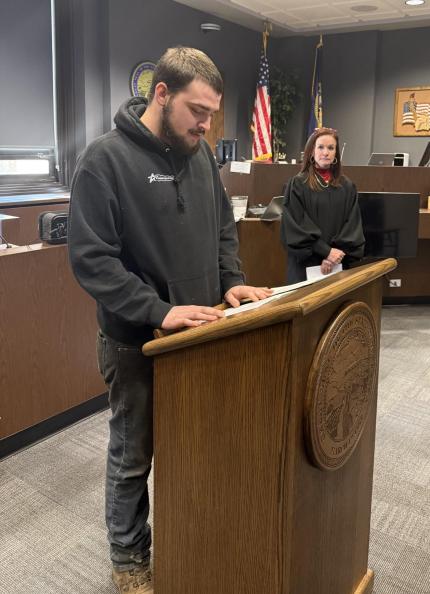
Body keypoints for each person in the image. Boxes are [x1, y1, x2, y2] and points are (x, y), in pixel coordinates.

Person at [68, 46, 271, 594]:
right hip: (137, 341)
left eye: (212, 114)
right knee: (134, 457)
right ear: (161, 94)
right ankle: (129, 560)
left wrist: (230, 281)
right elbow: (92, 259)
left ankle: (189, 540)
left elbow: (223, 229)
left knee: (194, 447)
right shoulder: (104, 161)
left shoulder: (201, 156)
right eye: (197, 111)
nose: (207, 125)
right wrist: (157, 309)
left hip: (202, 335)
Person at [280, 127, 365, 284]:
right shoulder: (298, 184)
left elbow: (352, 226)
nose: (326, 152)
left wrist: (333, 257)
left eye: (331, 148)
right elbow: (296, 225)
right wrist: (326, 252)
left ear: (336, 154)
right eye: (321, 147)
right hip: (306, 264)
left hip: (338, 263)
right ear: (311, 151)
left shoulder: (347, 186)